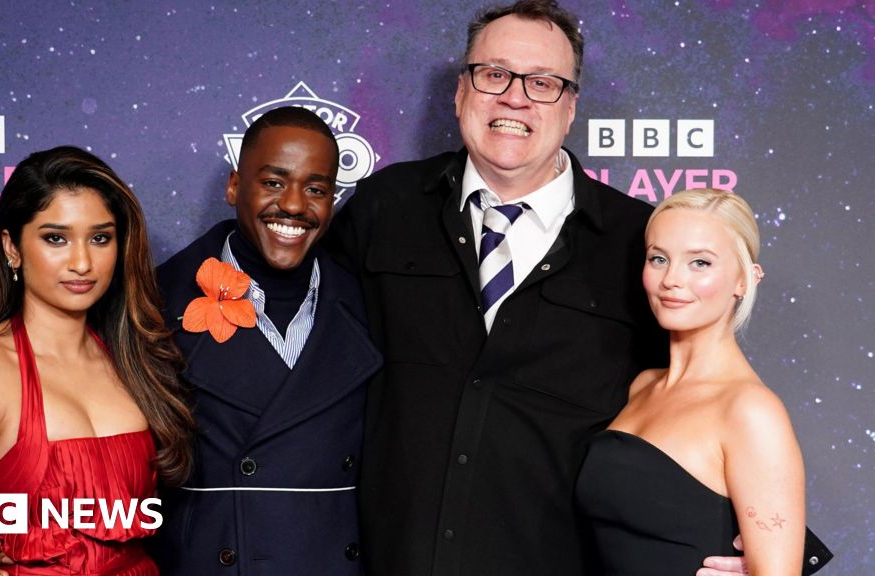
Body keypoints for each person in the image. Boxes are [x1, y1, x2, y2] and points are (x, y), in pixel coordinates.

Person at [329, 1, 828, 575]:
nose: (515, 98)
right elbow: (311, 363)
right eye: (494, 74)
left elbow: (698, 404)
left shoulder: (636, 241)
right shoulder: (385, 207)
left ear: (570, 109)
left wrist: (761, 557)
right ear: (461, 92)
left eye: (542, 83)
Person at [0, 146, 195, 576]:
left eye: (100, 238)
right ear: (12, 247)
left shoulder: (134, 360)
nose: (82, 263)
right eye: (55, 238)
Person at [149, 106, 381, 575]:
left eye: (316, 189)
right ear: (235, 186)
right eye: (274, 182)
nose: (294, 205)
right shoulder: (155, 304)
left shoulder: (371, 305)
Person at [574, 188, 805, 575]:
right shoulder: (641, 387)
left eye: (700, 262)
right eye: (659, 259)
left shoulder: (750, 411)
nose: (672, 279)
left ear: (744, 280)